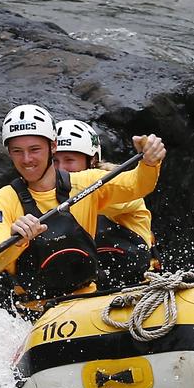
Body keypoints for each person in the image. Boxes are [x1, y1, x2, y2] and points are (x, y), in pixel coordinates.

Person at [0, 104, 165, 303]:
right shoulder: (2, 200)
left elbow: (136, 185)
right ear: (9, 152)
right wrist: (17, 240)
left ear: (52, 146)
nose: (26, 159)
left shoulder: (86, 182)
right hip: (37, 312)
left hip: (88, 303)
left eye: (34, 149)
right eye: (17, 151)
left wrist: (149, 162)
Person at [54, 118, 158, 288]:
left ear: (92, 160)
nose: (61, 169)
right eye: (55, 161)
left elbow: (121, 193)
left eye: (69, 160)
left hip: (140, 287)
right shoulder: (45, 194)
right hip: (86, 296)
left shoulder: (115, 185)